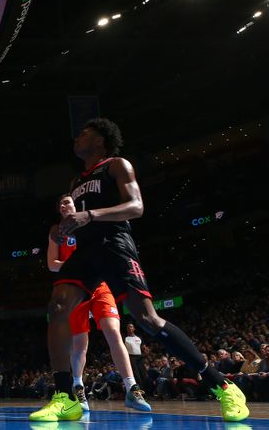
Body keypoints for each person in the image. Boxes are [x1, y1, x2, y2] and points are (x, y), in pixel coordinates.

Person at [30, 118, 249, 422]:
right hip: (86, 252)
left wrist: (89, 215)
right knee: (57, 307)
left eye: (85, 133)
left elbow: (136, 207)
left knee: (146, 319)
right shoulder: (75, 183)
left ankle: (222, 384)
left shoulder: (117, 165)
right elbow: (79, 225)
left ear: (102, 140)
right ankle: (65, 397)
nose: (77, 137)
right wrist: (63, 230)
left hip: (114, 243)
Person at [46, 194, 151, 413]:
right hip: (74, 285)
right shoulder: (57, 230)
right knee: (79, 345)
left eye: (69, 202)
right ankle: (78, 386)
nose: (66, 205)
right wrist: (79, 265)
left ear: (77, 205)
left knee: (114, 332)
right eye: (62, 203)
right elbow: (52, 264)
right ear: (59, 210)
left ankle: (132, 387)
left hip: (99, 284)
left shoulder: (90, 222)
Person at [124, 323, 150, 393]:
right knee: (136, 375)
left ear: (134, 328)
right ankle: (139, 392)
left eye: (131, 327)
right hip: (131, 357)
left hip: (140, 357)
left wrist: (146, 350)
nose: (130, 328)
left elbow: (144, 347)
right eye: (128, 327)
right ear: (127, 329)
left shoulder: (139, 337)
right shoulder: (125, 338)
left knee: (144, 375)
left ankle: (146, 392)